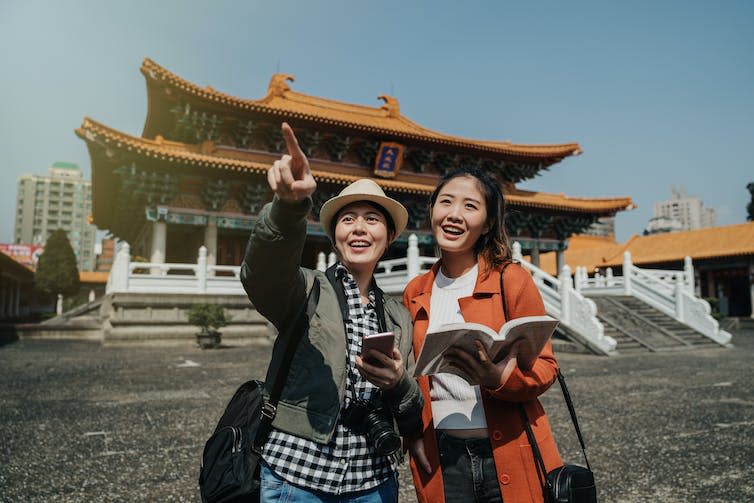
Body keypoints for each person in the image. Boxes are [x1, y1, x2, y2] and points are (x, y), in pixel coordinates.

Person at [240, 122, 423, 502]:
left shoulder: (397, 316)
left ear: (389, 238)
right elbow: (263, 274)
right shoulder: (305, 288)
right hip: (296, 476)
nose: (359, 228)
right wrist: (288, 208)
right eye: (348, 219)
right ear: (335, 235)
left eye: (372, 220)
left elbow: (411, 405)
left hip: (371, 481)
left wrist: (398, 382)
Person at [403, 166, 562, 503]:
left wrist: (498, 378)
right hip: (443, 455)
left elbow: (547, 367)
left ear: (488, 223)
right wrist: (411, 432)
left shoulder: (511, 280)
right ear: (432, 210)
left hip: (508, 446)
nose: (454, 215)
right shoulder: (416, 290)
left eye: (470, 206)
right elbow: (409, 377)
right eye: (445, 202)